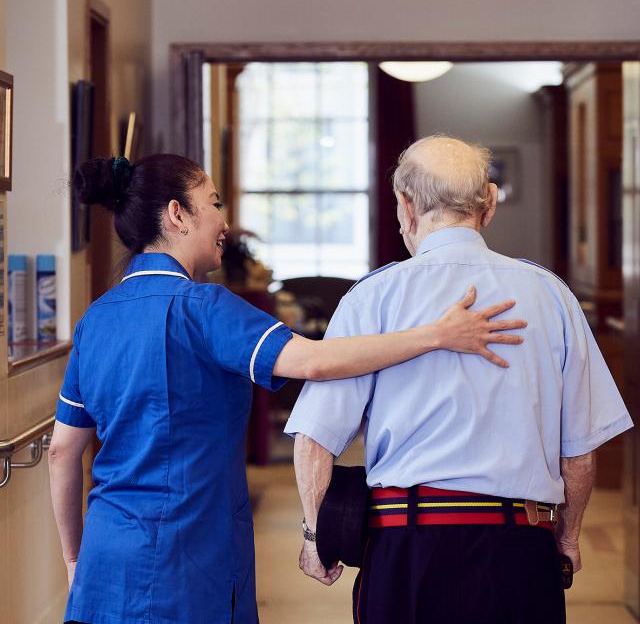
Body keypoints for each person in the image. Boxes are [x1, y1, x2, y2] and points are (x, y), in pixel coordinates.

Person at [48, 153, 527, 624]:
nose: (224, 222)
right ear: (178, 214)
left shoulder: (95, 321)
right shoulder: (204, 308)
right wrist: (437, 335)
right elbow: (314, 362)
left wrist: (74, 560)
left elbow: (63, 452)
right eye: (214, 203)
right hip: (185, 555)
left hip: (104, 560)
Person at [285, 135, 634, 624]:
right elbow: (578, 449)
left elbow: (315, 439)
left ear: (405, 207)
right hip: (521, 548)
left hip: (407, 546)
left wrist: (313, 535)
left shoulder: (373, 297)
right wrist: (569, 538)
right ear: (489, 203)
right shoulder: (551, 296)